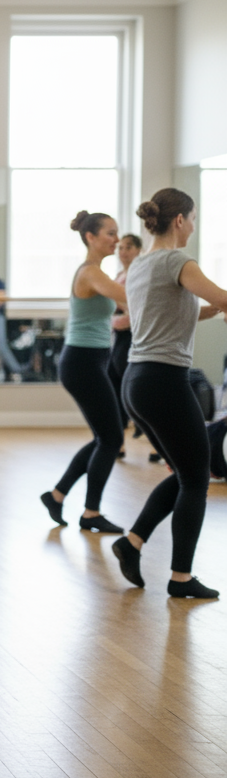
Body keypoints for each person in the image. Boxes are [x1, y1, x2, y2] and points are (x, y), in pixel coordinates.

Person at [112, 189, 227, 599]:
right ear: (179, 220)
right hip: (164, 381)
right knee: (197, 477)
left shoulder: (141, 265)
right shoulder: (178, 261)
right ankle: (181, 578)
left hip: (137, 381)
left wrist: (213, 311)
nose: (193, 227)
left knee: (184, 472)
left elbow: (172, 312)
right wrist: (222, 304)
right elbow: (222, 296)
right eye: (192, 219)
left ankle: (132, 542)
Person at [38, 212, 126, 533]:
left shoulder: (98, 273)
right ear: (91, 237)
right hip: (82, 362)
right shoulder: (90, 273)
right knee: (111, 438)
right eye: (110, 233)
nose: (116, 239)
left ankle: (57, 496)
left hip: (93, 360)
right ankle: (90, 513)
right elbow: (129, 299)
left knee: (104, 437)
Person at [109, 233, 142, 436]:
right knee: (114, 378)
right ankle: (120, 429)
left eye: (128, 247)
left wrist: (118, 304)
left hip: (132, 333)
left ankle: (143, 426)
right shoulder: (120, 274)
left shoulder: (139, 274)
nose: (123, 252)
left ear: (138, 250)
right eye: (120, 248)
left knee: (128, 383)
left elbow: (136, 305)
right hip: (119, 332)